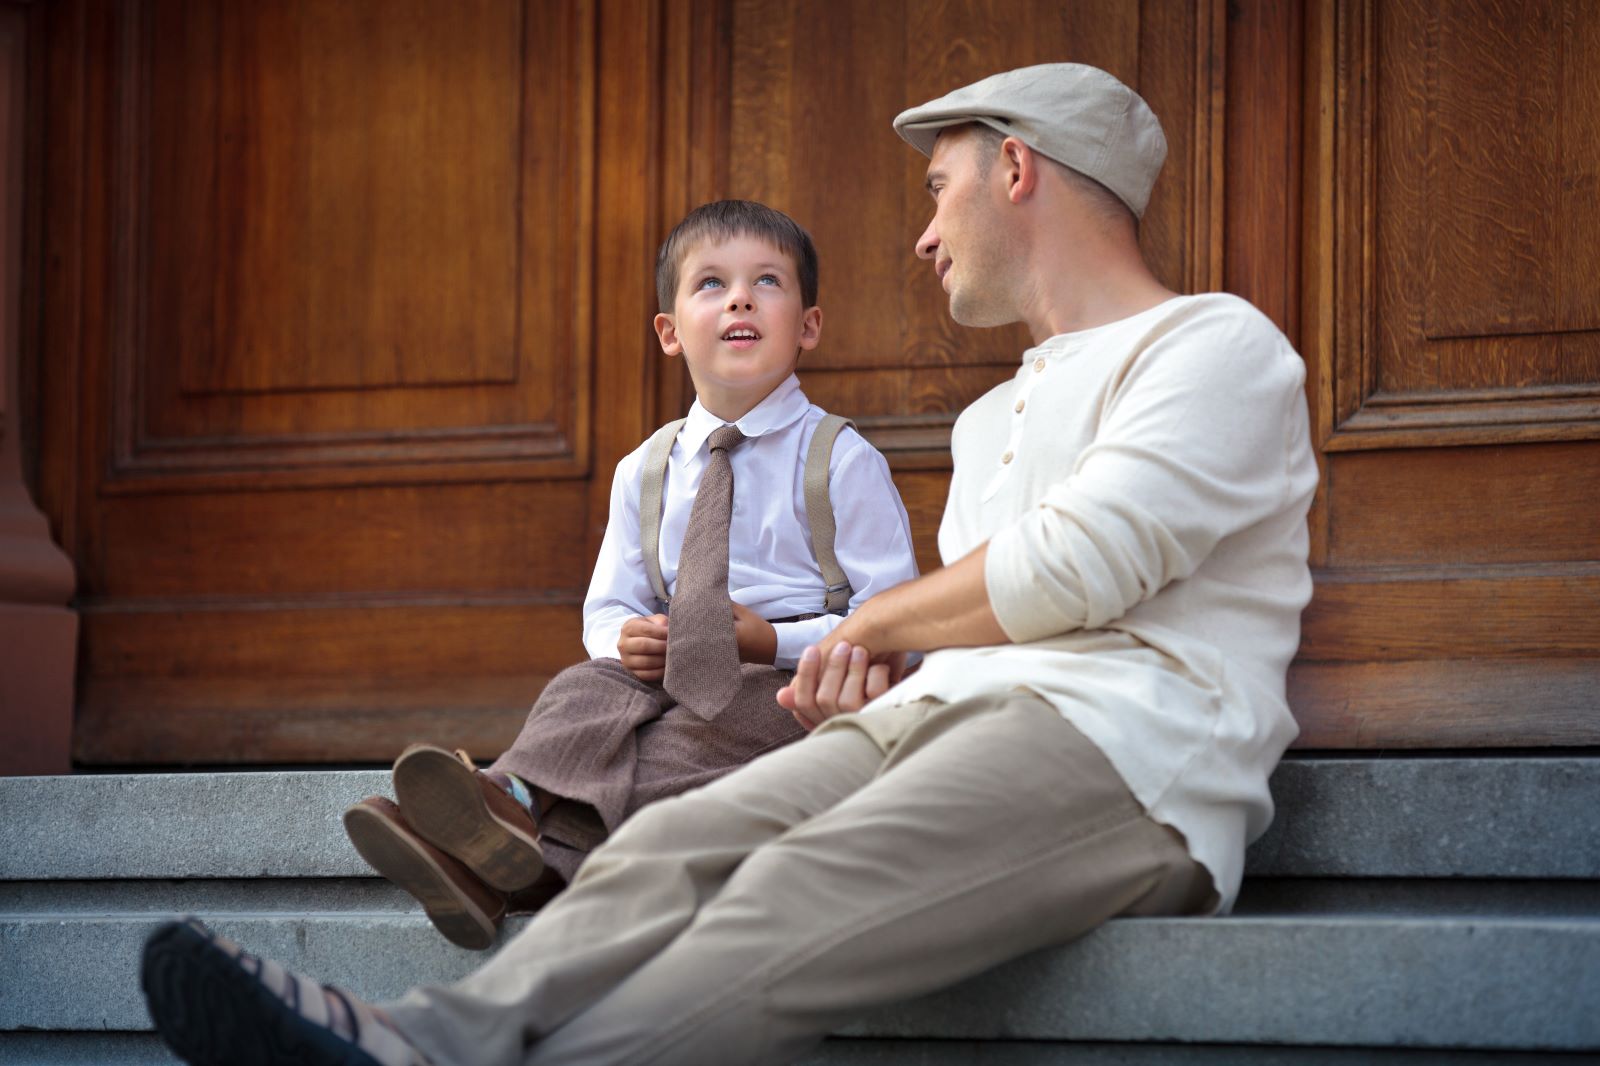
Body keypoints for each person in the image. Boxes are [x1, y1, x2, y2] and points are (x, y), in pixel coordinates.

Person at [140, 63, 1319, 1066]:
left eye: (936, 188)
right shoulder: (987, 419)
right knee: (665, 842)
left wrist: (872, 626)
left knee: (785, 897)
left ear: (1016, 170)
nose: (922, 231)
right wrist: (883, 665)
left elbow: (1073, 568)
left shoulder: (1212, 343)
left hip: (1125, 751)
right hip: (948, 720)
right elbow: (989, 616)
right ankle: (422, 1040)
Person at [339, 198, 919, 949]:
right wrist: (631, 643)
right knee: (583, 691)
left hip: (786, 683)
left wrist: (766, 640)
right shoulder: (644, 470)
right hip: (669, 674)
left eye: (766, 282)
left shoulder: (840, 459)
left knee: (681, 746)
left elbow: (896, 616)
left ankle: (499, 865)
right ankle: (504, 799)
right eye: (711, 283)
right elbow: (608, 608)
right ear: (670, 334)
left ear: (808, 324)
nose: (740, 297)